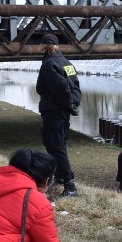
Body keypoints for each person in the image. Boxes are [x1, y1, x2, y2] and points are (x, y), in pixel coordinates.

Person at [36, 33, 82, 197]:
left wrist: (68, 103)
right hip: (63, 111)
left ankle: (70, 185)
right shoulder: (66, 63)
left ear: (42, 47)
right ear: (57, 46)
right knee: (58, 144)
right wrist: (74, 104)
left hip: (53, 111)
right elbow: (75, 85)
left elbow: (61, 88)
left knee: (55, 146)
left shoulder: (49, 64)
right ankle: (59, 177)